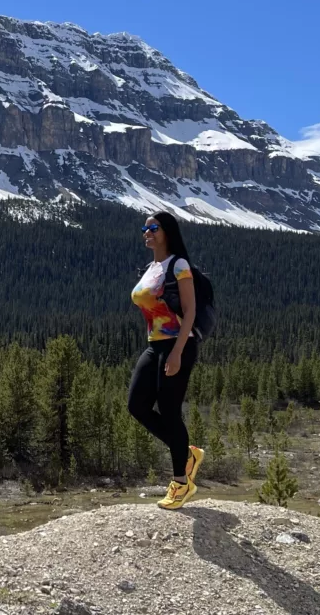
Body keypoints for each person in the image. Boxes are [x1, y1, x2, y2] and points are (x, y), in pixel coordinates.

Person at [127, 211, 204, 509]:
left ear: (167, 231)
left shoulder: (179, 265)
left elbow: (191, 311)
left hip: (178, 345)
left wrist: (176, 352)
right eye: (145, 228)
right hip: (154, 345)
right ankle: (187, 454)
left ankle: (181, 483)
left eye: (153, 228)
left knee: (170, 412)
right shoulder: (152, 267)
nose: (147, 232)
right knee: (137, 405)